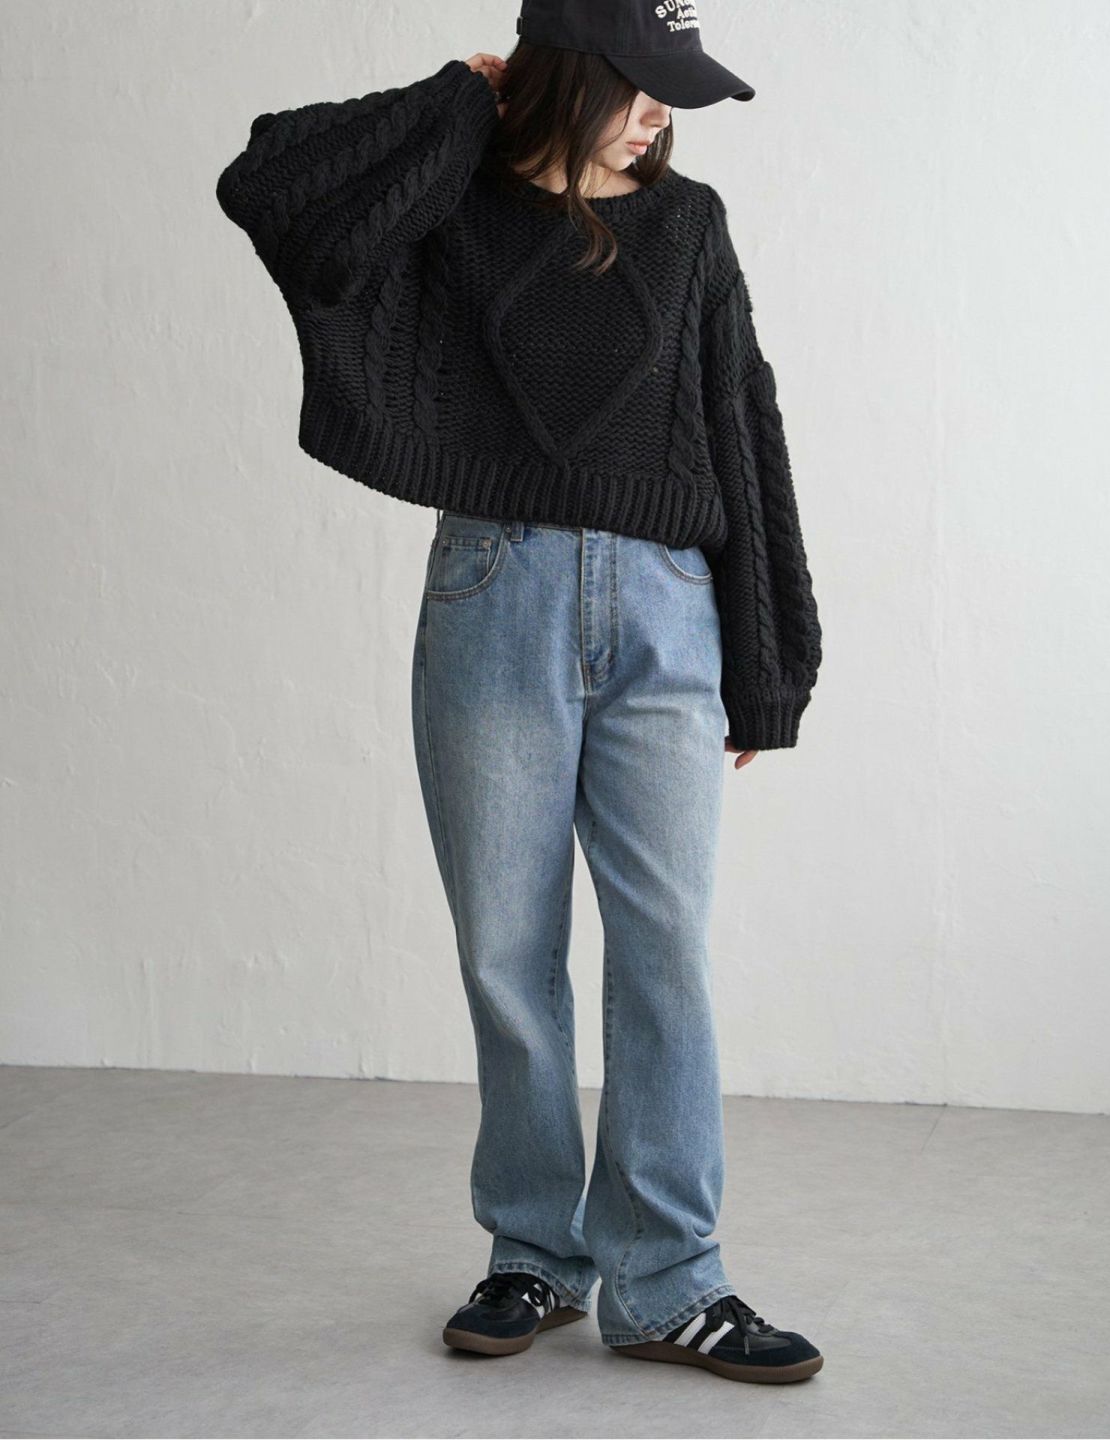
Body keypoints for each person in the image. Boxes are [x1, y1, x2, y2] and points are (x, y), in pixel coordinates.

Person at [215, 0, 823, 1386]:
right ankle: (536, 1253)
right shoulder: (453, 205)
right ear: (570, 76)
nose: (661, 115)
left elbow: (741, 415)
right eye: (642, 86)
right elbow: (273, 190)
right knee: (508, 950)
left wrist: (766, 657)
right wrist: (455, 101)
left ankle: (670, 1282)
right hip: (497, 598)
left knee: (664, 949)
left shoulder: (691, 226)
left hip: (669, 612)